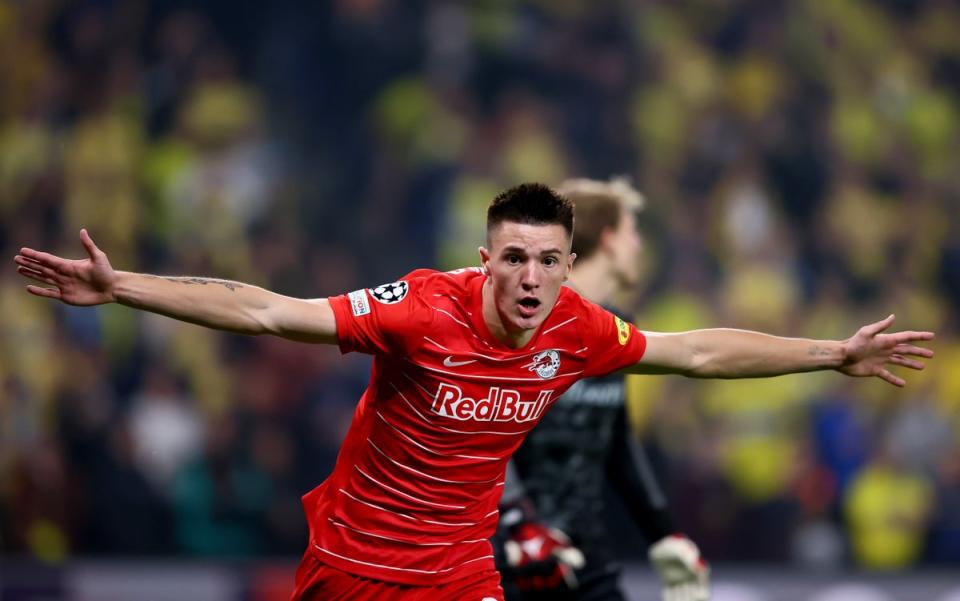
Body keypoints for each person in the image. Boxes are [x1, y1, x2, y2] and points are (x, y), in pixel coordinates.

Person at [14, 183, 934, 601]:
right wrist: (122, 286)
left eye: (547, 260)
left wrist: (829, 352)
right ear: (483, 259)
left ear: (568, 265)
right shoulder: (419, 308)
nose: (530, 277)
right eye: (512, 258)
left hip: (461, 573)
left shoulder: (577, 328)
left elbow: (694, 353)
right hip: (354, 567)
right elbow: (264, 311)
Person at [493, 177, 708, 601]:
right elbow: (487, 432)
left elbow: (617, 441)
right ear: (609, 239)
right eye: (632, 231)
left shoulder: (616, 329)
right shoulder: (526, 315)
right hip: (517, 560)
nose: (639, 246)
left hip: (588, 560)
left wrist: (663, 533)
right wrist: (518, 523)